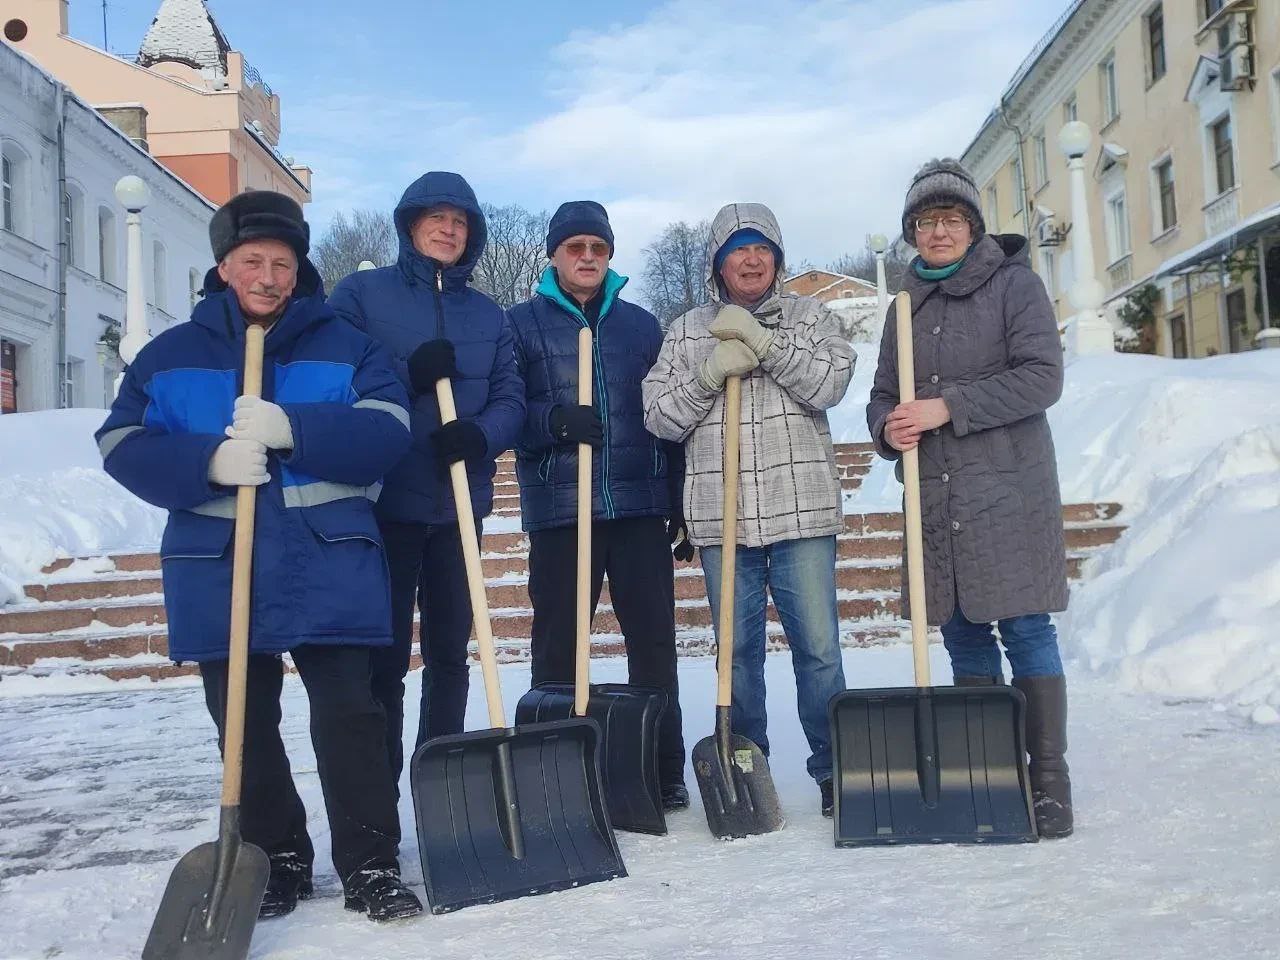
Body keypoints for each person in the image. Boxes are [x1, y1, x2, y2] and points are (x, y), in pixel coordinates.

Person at [95, 190, 423, 921]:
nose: (269, 276)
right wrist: (207, 461)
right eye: (254, 261)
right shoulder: (170, 355)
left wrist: (293, 429)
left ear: (299, 268)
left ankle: (370, 863)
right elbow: (121, 443)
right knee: (242, 723)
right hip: (220, 567)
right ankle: (276, 860)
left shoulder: (345, 344)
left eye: (282, 262)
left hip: (327, 563)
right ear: (223, 266)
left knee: (351, 717)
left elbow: (390, 427)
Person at [865, 158, 1073, 838]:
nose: (938, 232)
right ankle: (990, 777)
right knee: (961, 631)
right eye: (925, 222)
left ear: (974, 225)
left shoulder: (1015, 286)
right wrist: (889, 428)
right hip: (935, 499)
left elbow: (1042, 378)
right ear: (912, 233)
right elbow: (883, 398)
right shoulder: (904, 305)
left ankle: (1048, 784)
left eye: (951, 219)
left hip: (1007, 492)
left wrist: (945, 406)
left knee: (1025, 628)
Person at [643, 202, 854, 817]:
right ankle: (747, 765)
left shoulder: (812, 318)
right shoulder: (686, 332)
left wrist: (764, 343)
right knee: (736, 654)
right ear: (718, 262)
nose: (752, 258)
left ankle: (834, 769)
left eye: (763, 246)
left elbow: (829, 386)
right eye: (738, 247)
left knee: (819, 648)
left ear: (778, 257)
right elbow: (658, 415)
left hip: (801, 512)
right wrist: (710, 371)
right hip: (722, 516)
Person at [328, 172, 524, 787]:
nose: (448, 229)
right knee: (381, 659)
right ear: (409, 225)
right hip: (383, 504)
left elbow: (510, 394)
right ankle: (377, 789)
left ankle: (442, 782)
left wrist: (481, 435)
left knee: (450, 653)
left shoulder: (490, 316)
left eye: (460, 221)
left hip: (458, 508)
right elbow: (332, 371)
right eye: (436, 218)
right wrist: (404, 372)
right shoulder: (362, 295)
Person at [507, 201, 690, 810]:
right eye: (575, 247)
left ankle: (662, 770)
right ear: (554, 254)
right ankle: (554, 770)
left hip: (638, 506)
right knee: (558, 645)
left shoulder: (640, 327)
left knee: (653, 643)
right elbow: (508, 413)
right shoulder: (523, 325)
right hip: (563, 509)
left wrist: (679, 501)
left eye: (599, 248)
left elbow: (669, 418)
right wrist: (553, 420)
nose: (587, 258)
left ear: (610, 255)